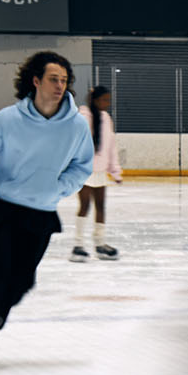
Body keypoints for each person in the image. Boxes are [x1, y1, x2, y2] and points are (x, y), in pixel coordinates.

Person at [0, 52, 93, 362]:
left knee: (23, 279)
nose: (60, 86)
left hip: (41, 214)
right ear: (36, 81)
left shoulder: (76, 126)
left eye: (64, 80)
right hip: (4, 210)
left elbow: (82, 166)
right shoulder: (8, 119)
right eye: (53, 79)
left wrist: (59, 188)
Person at [71, 86, 122, 261]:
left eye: (108, 100)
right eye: (104, 100)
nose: (107, 103)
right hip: (84, 171)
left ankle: (100, 244)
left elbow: (111, 147)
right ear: (94, 100)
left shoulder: (106, 119)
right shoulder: (82, 118)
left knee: (101, 206)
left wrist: (115, 171)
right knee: (84, 206)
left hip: (100, 171)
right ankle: (78, 245)